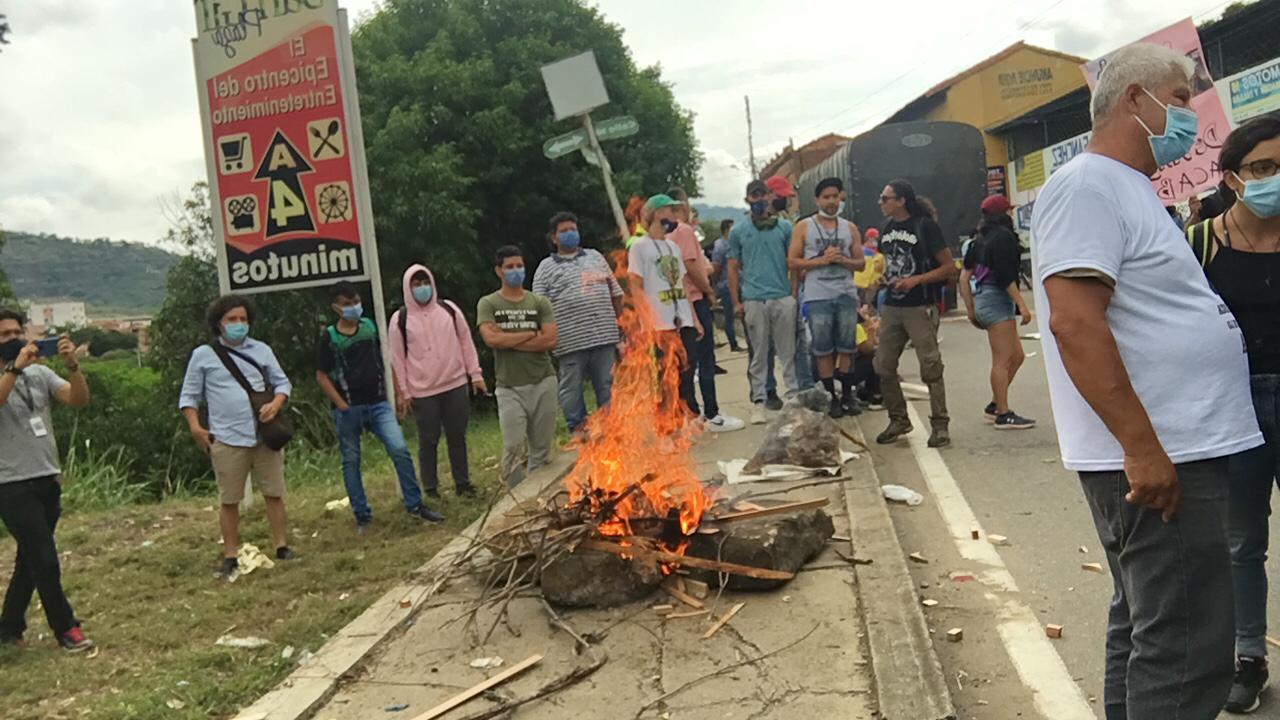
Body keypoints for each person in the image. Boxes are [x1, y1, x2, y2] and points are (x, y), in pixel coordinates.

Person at [1032, 43, 1263, 720]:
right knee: (1187, 650)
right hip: (1164, 457)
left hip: (1174, 450)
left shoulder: (1128, 188)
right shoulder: (1088, 186)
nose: (1194, 113)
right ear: (1136, 99)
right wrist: (1143, 448)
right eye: (1184, 96)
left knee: (1149, 628)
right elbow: (1075, 323)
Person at [1184, 116, 1280, 714]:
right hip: (1233, 407)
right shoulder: (1196, 242)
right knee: (1241, 542)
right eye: (1263, 168)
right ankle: (1248, 656)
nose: (1275, 179)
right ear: (1233, 177)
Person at [180, 295, 296, 580]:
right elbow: (189, 396)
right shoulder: (203, 355)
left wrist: (276, 404)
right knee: (229, 499)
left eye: (243, 319)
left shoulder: (262, 350)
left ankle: (282, 545)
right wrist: (196, 427)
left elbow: (282, 382)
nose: (239, 324)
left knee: (274, 492)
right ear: (219, 323)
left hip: (263, 435)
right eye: (232, 319)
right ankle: (230, 554)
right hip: (227, 437)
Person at [317, 281, 447, 531]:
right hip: (348, 409)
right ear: (336, 308)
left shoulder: (370, 327)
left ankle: (415, 505)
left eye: (355, 302)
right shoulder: (330, 337)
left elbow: (386, 361)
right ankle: (362, 515)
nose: (353, 307)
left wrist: (398, 393)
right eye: (347, 304)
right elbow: (322, 376)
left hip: (378, 403)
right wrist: (342, 405)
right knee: (351, 461)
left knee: (399, 449)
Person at [0, 310, 93, 651]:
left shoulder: (40, 374)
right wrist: (14, 367)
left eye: (16, 332)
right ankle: (66, 628)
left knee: (30, 560)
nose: (13, 339)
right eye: (4, 334)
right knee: (45, 558)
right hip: (10, 483)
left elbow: (78, 399)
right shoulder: (12, 372)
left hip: (46, 476)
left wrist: (72, 365)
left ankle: (8, 626)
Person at [389, 266, 484, 501]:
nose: (422, 288)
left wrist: (476, 374)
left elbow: (466, 341)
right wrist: (404, 391)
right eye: (416, 284)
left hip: (455, 383)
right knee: (428, 440)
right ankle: (431, 489)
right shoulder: (400, 320)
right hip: (423, 391)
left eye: (425, 282)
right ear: (408, 288)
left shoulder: (448, 310)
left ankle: (463, 484)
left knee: (457, 437)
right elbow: (397, 359)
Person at [874, 179, 957, 447]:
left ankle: (940, 424)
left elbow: (948, 267)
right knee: (883, 364)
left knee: (930, 365)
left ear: (901, 201)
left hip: (919, 306)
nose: (881, 203)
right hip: (892, 305)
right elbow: (888, 262)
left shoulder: (925, 227)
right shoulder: (887, 230)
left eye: (886, 198)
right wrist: (884, 278)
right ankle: (899, 418)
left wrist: (917, 280)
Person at [532, 212, 624, 437]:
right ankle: (579, 430)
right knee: (571, 391)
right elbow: (539, 308)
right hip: (569, 342)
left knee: (607, 385)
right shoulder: (545, 268)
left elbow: (616, 293)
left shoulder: (595, 257)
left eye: (573, 229)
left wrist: (620, 325)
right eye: (563, 231)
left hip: (604, 336)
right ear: (554, 238)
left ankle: (611, 428)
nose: (570, 234)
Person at [478, 246, 559, 486]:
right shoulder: (488, 303)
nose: (516, 271)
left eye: (519, 266)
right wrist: (530, 333)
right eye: (510, 267)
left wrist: (508, 339)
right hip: (509, 387)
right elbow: (491, 339)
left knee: (541, 449)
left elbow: (551, 340)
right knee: (513, 446)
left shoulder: (539, 302)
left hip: (543, 380)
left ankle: (538, 497)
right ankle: (513, 499)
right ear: (499, 271)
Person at [666, 187, 744, 432]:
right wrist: (709, 292)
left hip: (676, 303)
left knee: (686, 362)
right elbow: (691, 266)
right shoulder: (685, 231)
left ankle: (690, 413)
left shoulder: (661, 236)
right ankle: (711, 414)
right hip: (695, 299)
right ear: (681, 207)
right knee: (705, 358)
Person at [788, 177, 866, 418]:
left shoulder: (849, 228)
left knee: (847, 345)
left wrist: (843, 260)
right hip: (817, 294)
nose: (831, 201)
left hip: (845, 292)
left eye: (835, 196)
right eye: (826, 197)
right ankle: (830, 395)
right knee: (822, 348)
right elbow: (792, 261)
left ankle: (848, 393)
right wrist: (821, 260)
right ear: (817, 200)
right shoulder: (804, 226)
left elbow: (861, 263)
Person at [958, 195, 1035, 430]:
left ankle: (995, 402)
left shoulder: (978, 240)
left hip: (983, 298)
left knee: (1017, 356)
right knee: (1002, 361)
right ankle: (1003, 413)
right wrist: (1022, 304)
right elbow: (1005, 277)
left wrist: (970, 309)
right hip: (997, 299)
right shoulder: (1003, 239)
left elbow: (964, 276)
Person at [729, 179, 799, 425]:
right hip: (754, 299)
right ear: (747, 199)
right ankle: (759, 402)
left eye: (763, 195)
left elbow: (793, 263)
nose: (759, 200)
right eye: (754, 195)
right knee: (759, 354)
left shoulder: (784, 228)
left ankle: (791, 398)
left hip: (781, 296)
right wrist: (736, 301)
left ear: (770, 196)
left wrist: (792, 293)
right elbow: (733, 267)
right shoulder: (739, 231)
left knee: (786, 351)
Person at [627, 194, 704, 415]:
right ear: (657, 213)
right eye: (671, 211)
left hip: (683, 319)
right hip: (660, 324)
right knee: (665, 376)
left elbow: (682, 284)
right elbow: (636, 286)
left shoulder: (673, 247)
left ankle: (686, 419)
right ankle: (666, 426)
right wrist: (645, 320)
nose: (675, 216)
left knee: (687, 371)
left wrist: (694, 319)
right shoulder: (639, 247)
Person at [711, 218, 744, 352]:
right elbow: (716, 267)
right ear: (725, 230)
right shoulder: (720, 246)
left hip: (740, 283)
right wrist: (715, 286)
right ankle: (733, 343)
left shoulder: (736, 243)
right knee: (729, 315)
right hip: (726, 285)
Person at [855, 228, 885, 311]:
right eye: (871, 238)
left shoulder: (880, 256)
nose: (873, 241)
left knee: (869, 306)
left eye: (876, 238)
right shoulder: (859, 251)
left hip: (871, 285)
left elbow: (881, 271)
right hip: (858, 284)